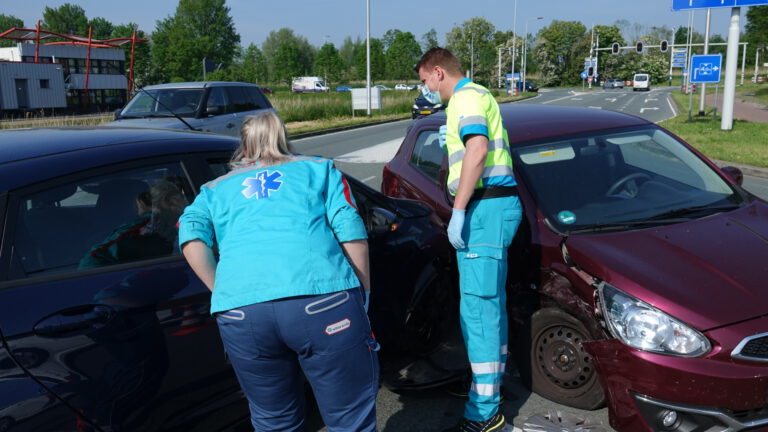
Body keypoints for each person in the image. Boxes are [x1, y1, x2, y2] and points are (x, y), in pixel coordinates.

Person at [178, 110, 378, 431]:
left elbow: (190, 237)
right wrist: (363, 295)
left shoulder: (214, 189)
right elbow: (351, 233)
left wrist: (226, 290)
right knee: (349, 416)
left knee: (274, 421)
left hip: (241, 315)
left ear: (243, 148)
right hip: (322, 302)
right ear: (285, 140)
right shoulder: (319, 170)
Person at [415, 47, 522, 432]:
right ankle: (490, 385)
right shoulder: (478, 94)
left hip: (485, 211)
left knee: (477, 312)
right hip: (494, 209)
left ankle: (485, 411)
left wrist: (458, 210)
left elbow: (477, 149)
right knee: (489, 307)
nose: (426, 89)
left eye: (425, 80)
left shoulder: (463, 98)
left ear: (439, 72)